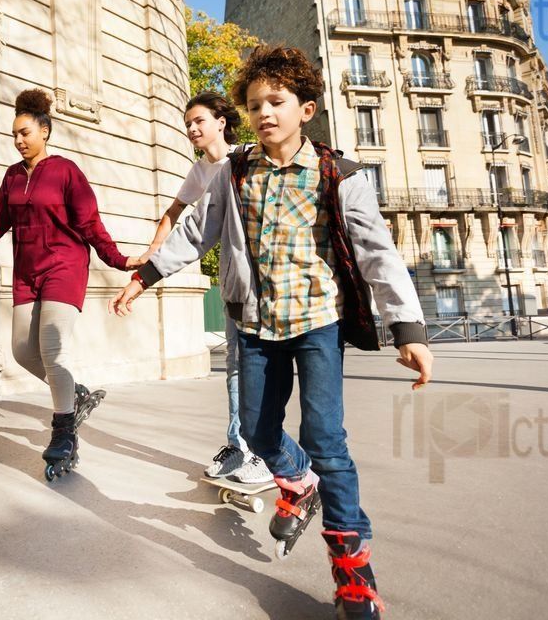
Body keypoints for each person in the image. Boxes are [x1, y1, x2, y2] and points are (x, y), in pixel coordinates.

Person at [110, 45, 433, 619]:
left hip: (317, 322)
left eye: (277, 102)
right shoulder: (233, 170)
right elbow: (197, 232)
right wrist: (146, 276)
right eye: (255, 103)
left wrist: (408, 327)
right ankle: (295, 482)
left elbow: (376, 252)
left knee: (327, 443)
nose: (264, 113)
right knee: (258, 436)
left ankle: (353, 573)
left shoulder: (339, 172)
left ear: (306, 108)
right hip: (255, 323)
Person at [0, 89, 136, 480]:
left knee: (52, 349)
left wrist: (119, 260)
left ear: (45, 130)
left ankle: (63, 433)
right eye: (14, 135)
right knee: (21, 350)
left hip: (64, 266)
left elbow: (90, 224)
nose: (18, 140)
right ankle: (74, 395)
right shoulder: (12, 176)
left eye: (25, 132)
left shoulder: (65, 171)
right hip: (26, 272)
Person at [132, 90, 271, 485]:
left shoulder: (247, 156)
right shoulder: (199, 172)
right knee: (235, 367)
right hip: (235, 283)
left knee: (260, 368)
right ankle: (239, 446)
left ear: (221, 122)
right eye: (188, 123)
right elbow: (179, 217)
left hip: (265, 278)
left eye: (199, 121)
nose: (192, 129)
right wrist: (152, 254)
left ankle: (265, 452)